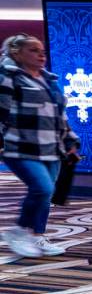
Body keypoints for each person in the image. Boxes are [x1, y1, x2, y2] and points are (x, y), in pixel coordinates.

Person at [0, 34, 80, 258]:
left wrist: (70, 140)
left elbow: (59, 116)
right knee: (42, 188)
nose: (41, 54)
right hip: (19, 146)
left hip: (51, 146)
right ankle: (17, 231)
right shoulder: (8, 76)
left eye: (42, 50)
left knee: (47, 193)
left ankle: (36, 236)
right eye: (34, 50)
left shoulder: (48, 79)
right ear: (17, 53)